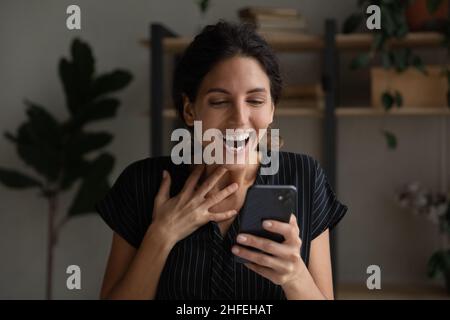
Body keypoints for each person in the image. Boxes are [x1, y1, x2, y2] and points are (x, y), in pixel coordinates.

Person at [96, 21, 348, 300]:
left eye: (255, 101)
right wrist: (161, 235)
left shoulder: (305, 176)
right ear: (190, 110)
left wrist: (295, 277)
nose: (240, 119)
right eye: (219, 102)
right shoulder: (144, 183)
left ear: (272, 109)